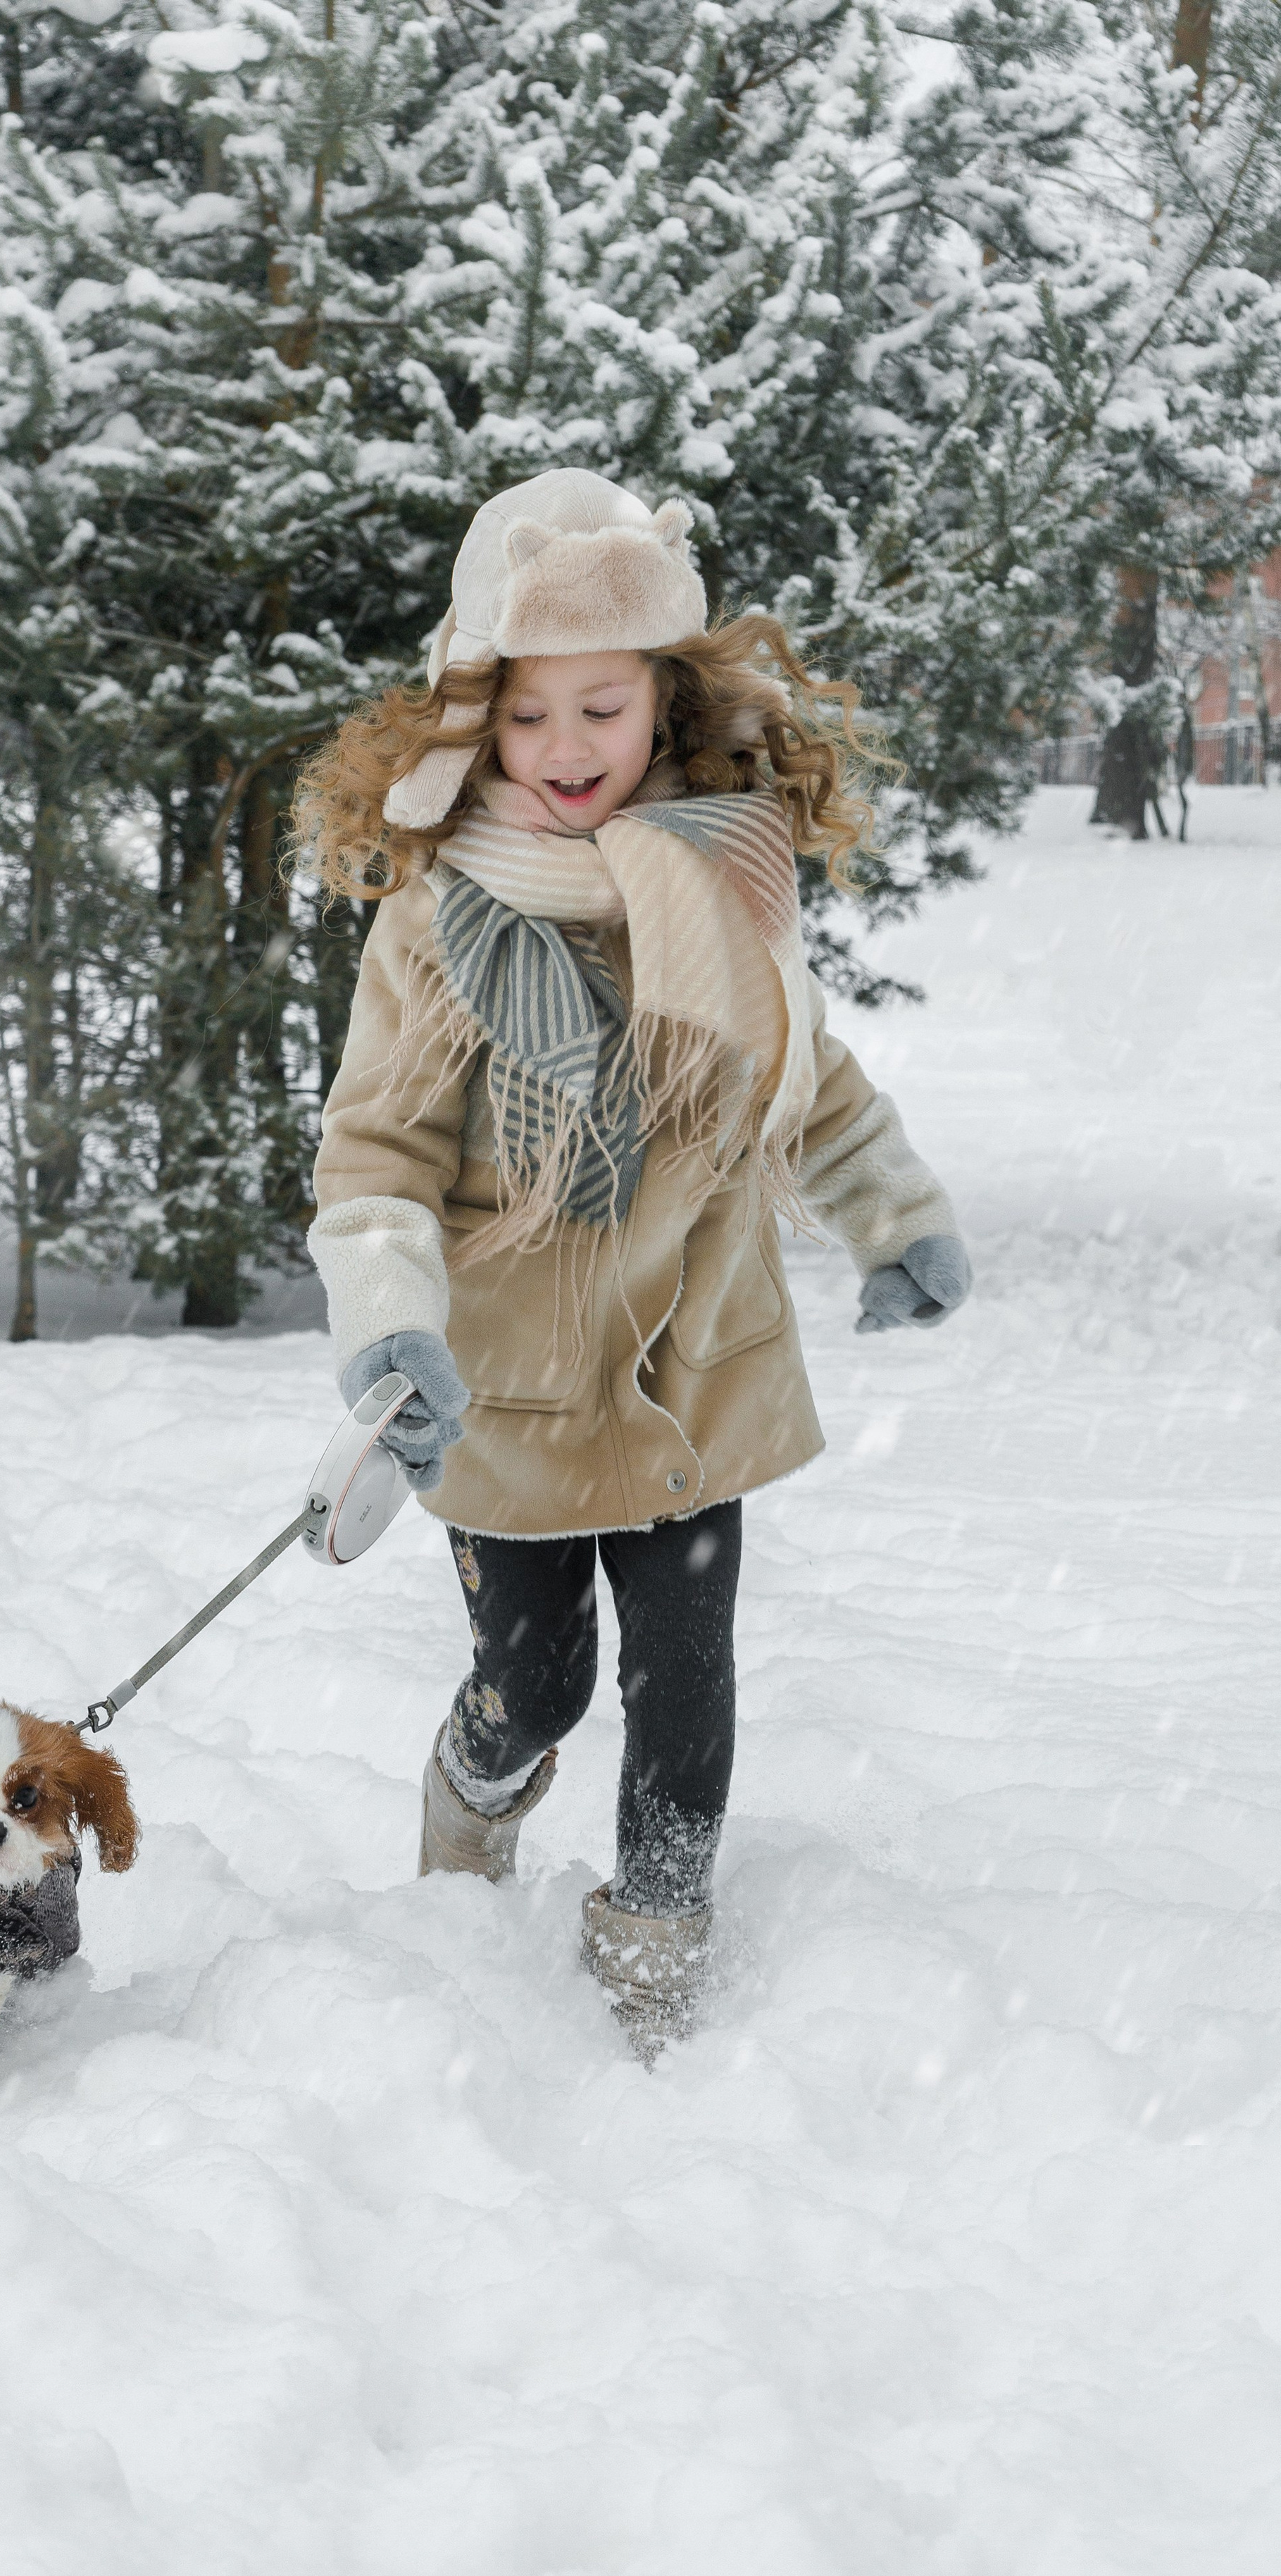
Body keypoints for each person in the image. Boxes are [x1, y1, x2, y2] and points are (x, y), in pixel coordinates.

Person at [294, 469, 969, 2054]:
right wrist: (389, 1323)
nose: (567, 749)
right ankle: (473, 1793)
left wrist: (895, 1211)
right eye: (528, 719)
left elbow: (795, 1082)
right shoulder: (440, 913)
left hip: (691, 1375)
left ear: (663, 700)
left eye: (600, 707)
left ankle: (655, 1944)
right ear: (477, 722)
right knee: (540, 1685)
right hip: (505, 1393)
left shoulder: (722, 875)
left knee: (683, 1677)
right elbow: (375, 1153)